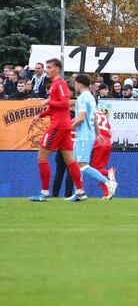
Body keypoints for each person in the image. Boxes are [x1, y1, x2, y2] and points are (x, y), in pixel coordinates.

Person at [29, 59, 86, 202]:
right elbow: (56, 108)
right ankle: (80, 192)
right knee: (69, 159)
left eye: (49, 67)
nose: (46, 69)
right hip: (64, 125)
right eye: (46, 67)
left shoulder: (60, 84)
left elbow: (65, 103)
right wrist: (40, 115)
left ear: (57, 69)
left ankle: (44, 192)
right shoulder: (56, 84)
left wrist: (48, 101)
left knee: (42, 157)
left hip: (58, 126)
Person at [71, 74, 117, 199]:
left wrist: (68, 129)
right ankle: (79, 192)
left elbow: (81, 118)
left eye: (75, 83)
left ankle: (108, 183)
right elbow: (94, 118)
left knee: (83, 165)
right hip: (90, 135)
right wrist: (97, 133)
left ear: (79, 84)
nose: (74, 86)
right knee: (75, 164)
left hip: (83, 136)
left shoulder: (82, 98)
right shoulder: (91, 97)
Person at [90, 107, 116, 197]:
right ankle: (106, 193)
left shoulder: (88, 112)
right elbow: (110, 133)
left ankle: (109, 172)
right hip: (108, 143)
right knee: (98, 171)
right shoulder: (102, 114)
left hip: (98, 143)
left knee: (93, 170)